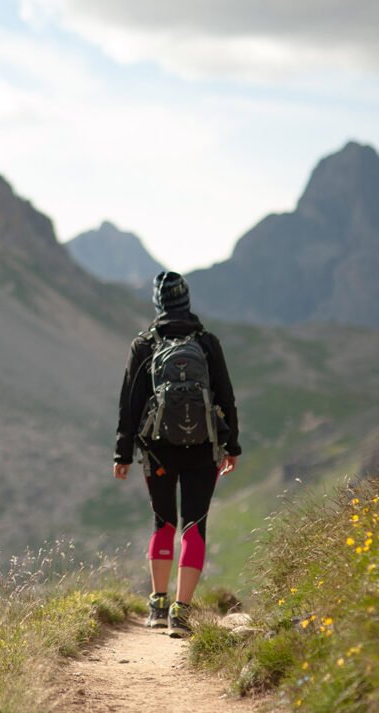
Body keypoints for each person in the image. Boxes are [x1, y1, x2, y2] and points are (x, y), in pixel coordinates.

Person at [113, 271, 240, 638]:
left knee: (163, 523)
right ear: (186, 301)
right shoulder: (207, 343)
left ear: (158, 303)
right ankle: (181, 613)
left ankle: (157, 604)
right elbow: (225, 396)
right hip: (203, 449)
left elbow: (130, 404)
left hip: (158, 450)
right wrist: (232, 445)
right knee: (194, 525)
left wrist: (122, 453)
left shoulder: (144, 345)